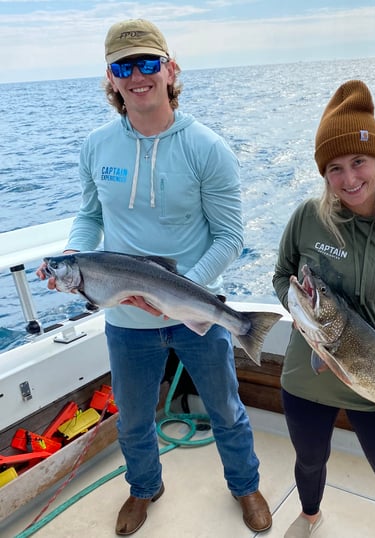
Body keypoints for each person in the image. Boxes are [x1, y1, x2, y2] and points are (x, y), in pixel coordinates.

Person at [37, 19, 271, 536]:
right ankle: (144, 488)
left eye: (147, 63)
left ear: (170, 69)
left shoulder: (208, 148)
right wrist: (74, 256)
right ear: (112, 78)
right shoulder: (97, 146)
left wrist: (179, 293)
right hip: (123, 316)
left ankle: (245, 485)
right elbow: (89, 216)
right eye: (125, 66)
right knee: (134, 420)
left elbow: (229, 236)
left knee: (227, 410)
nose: (137, 75)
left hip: (192, 308)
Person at [272, 80, 375, 538]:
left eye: (359, 161)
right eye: (335, 168)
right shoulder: (308, 216)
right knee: (309, 459)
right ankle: (310, 516)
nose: (348, 180)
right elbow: (280, 276)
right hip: (307, 375)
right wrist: (303, 316)